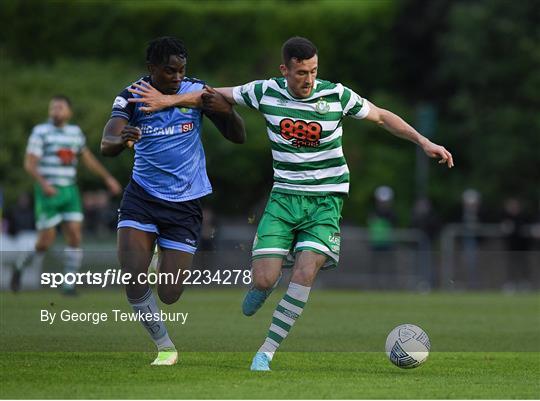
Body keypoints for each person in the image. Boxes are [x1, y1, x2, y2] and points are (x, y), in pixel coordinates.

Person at [127, 36, 454, 371]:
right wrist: (169, 100)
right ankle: (264, 281)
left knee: (304, 271)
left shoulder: (336, 95)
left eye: (313, 71)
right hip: (283, 199)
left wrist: (424, 141)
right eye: (301, 73)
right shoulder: (265, 91)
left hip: (326, 202)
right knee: (265, 280)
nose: (308, 80)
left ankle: (265, 352)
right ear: (285, 70)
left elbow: (383, 117)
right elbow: (213, 95)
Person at [100, 36, 245, 366]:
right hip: (142, 196)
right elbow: (106, 141)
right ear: (151, 69)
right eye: (169, 71)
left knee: (169, 294)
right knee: (132, 276)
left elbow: (238, 136)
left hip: (185, 204)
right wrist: (121, 138)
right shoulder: (132, 95)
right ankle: (165, 347)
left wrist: (225, 111)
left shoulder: (196, 92)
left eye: (182, 71)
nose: (177, 78)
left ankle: (159, 259)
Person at [10, 95, 122, 294]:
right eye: (53, 107)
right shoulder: (41, 132)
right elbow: (30, 163)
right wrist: (44, 184)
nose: (55, 110)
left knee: (75, 236)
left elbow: (87, 159)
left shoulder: (74, 133)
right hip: (48, 192)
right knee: (44, 242)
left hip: (69, 190)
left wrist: (107, 178)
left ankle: (68, 285)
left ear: (68, 112)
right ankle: (20, 266)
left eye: (60, 107)